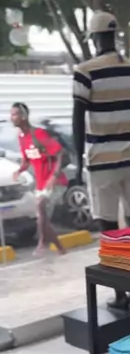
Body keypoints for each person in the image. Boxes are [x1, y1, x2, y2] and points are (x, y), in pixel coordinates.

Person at [72, 10, 130, 311]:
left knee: (110, 229)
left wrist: (78, 161)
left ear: (95, 38)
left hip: (101, 161)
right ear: (114, 35)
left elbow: (78, 119)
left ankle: (119, 295)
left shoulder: (85, 71)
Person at [11, 103, 67, 256]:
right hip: (41, 184)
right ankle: (60, 250)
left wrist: (54, 176)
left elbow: (59, 153)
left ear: (23, 116)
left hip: (56, 181)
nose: (12, 118)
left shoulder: (39, 133)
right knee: (42, 218)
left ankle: (42, 242)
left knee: (40, 206)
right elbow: (26, 160)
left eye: (15, 114)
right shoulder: (22, 138)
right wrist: (19, 171)